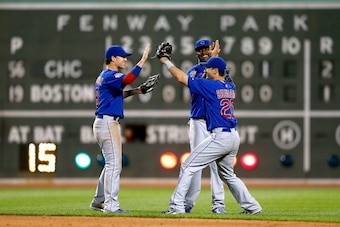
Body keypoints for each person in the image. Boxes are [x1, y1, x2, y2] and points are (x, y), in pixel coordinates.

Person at [157, 47, 262, 214]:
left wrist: (165, 61)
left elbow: (180, 77)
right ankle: (253, 207)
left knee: (187, 166)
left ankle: (176, 207)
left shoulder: (210, 86)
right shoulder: (230, 87)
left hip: (220, 137)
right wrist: (215, 58)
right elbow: (225, 76)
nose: (204, 70)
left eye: (208, 68)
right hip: (234, 136)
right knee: (228, 175)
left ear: (215, 70)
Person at [90, 44, 151, 214]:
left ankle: (99, 201)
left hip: (104, 122)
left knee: (110, 164)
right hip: (108, 123)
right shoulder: (110, 75)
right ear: (113, 58)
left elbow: (117, 94)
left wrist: (137, 91)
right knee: (114, 165)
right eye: (122, 56)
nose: (125, 59)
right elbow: (127, 79)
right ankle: (110, 206)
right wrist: (143, 60)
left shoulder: (106, 76)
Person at [184, 39, 226, 214]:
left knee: (218, 166)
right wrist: (213, 60)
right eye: (200, 49)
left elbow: (227, 84)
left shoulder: (221, 70)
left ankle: (218, 205)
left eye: (206, 48)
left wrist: (215, 61)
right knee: (195, 163)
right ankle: (187, 203)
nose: (204, 51)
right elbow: (201, 83)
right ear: (196, 53)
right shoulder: (193, 71)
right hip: (199, 121)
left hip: (216, 121)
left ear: (211, 48)